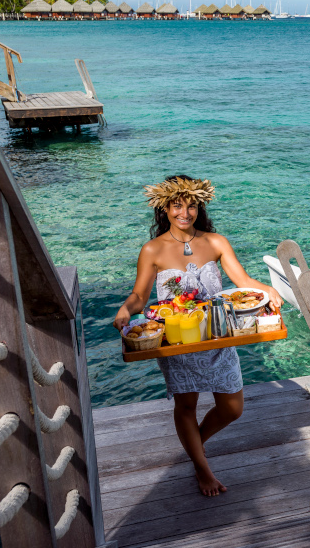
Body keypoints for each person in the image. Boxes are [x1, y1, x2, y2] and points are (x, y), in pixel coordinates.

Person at [113, 175, 282, 497]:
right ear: (164, 207)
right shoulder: (153, 249)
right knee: (186, 406)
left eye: (191, 206)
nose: (185, 213)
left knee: (233, 408)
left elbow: (242, 279)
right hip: (178, 339)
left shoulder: (216, 242)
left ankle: (194, 447)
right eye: (177, 205)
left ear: (199, 207)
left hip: (218, 334)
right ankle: (202, 467)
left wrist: (268, 289)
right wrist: (124, 311)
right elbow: (139, 295)